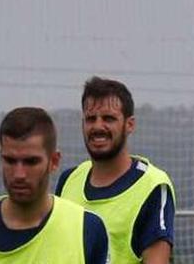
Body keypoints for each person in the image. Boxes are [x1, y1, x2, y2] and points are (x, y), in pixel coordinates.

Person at [0, 107, 108, 263]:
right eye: (10, 161)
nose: (19, 174)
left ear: (54, 161)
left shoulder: (85, 229)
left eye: (31, 162)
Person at [56, 76, 176, 264]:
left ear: (130, 125)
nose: (97, 126)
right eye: (90, 119)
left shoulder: (152, 186)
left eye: (108, 118)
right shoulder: (68, 180)